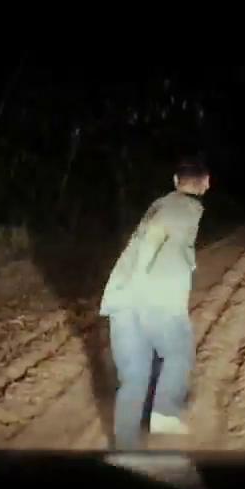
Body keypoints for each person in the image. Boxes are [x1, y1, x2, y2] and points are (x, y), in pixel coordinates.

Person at [98, 155, 212, 449]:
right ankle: (165, 412)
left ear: (175, 180)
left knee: (134, 377)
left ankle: (126, 447)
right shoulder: (184, 207)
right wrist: (142, 279)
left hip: (121, 298)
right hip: (153, 297)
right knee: (179, 353)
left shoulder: (160, 204)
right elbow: (155, 235)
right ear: (206, 183)